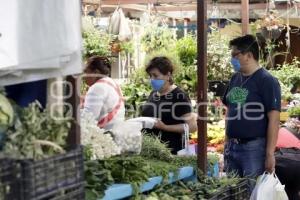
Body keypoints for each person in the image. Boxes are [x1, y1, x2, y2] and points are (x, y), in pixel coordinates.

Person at [222, 35, 281, 186]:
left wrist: (269, 154)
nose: (231, 59)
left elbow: (274, 120)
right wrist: (226, 141)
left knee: (252, 191)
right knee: (233, 192)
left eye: (235, 55)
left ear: (248, 55)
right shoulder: (235, 78)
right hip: (232, 147)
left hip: (253, 149)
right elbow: (229, 109)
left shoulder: (267, 80)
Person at [141, 56, 197, 154]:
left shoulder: (179, 96)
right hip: (150, 151)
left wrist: (165, 127)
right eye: (150, 76)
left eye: (155, 75)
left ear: (168, 75)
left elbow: (192, 127)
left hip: (170, 153)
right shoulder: (153, 93)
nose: (152, 79)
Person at [83, 56, 125, 130]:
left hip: (105, 136)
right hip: (117, 132)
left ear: (95, 72)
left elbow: (88, 119)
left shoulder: (97, 88)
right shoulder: (111, 82)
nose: (83, 76)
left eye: (86, 71)